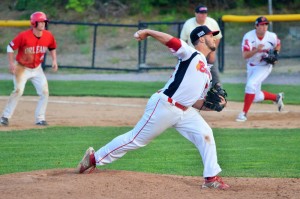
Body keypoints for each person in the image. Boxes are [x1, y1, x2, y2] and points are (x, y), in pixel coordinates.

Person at [76, 26, 230, 190]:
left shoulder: (207, 72)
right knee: (135, 140)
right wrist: (148, 32)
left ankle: (210, 178)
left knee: (205, 135)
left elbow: (196, 102)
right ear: (201, 38)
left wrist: (216, 106)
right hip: (166, 105)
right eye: (210, 35)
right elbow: (172, 41)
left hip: (185, 111)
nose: (213, 38)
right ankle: (93, 158)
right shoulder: (191, 54)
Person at [0, 11, 58, 126]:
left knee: (45, 92)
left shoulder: (48, 35)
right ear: (34, 23)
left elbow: (52, 47)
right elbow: (10, 47)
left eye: (44, 22)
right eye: (40, 22)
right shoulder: (24, 36)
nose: (43, 24)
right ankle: (5, 117)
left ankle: (40, 118)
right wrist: (11, 63)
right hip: (22, 68)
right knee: (18, 91)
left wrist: (54, 60)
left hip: (37, 69)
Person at [236, 16, 283, 122]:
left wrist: (276, 53)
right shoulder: (248, 37)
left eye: (266, 24)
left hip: (264, 66)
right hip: (251, 65)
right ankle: (276, 97)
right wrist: (257, 50)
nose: (264, 27)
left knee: (250, 85)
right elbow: (245, 55)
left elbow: (278, 44)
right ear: (256, 26)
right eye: (261, 24)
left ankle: (244, 114)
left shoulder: (271, 36)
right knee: (256, 97)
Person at [180, 5, 222, 87]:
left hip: (209, 53)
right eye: (201, 13)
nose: (203, 15)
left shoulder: (212, 22)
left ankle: (218, 94)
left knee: (214, 75)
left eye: (205, 13)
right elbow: (183, 40)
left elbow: (217, 38)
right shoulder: (189, 24)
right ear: (196, 13)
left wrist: (212, 52)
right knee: (191, 76)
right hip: (193, 54)